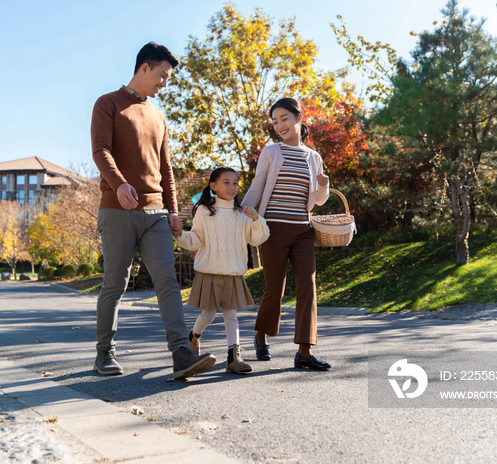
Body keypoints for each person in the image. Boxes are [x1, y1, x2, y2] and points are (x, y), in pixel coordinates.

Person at [90, 42, 216, 380]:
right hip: (118, 210)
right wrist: (118, 184)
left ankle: (181, 353)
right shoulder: (108, 104)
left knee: (168, 282)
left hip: (157, 213)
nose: (164, 83)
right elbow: (100, 150)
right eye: (162, 76)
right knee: (115, 283)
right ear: (145, 67)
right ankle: (104, 354)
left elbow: (166, 167)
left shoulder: (158, 117)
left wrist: (174, 210)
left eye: (167, 78)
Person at [241, 97, 331, 371]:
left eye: (284, 119)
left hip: (303, 230)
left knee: (308, 286)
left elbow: (318, 201)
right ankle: (261, 335)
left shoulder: (314, 157)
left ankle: (304, 350)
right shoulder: (271, 152)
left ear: (298, 118)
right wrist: (243, 207)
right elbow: (258, 185)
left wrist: (325, 186)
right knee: (274, 287)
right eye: (275, 121)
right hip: (273, 229)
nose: (280, 125)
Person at [173, 167, 270, 374]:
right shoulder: (204, 211)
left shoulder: (241, 213)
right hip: (210, 271)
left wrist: (256, 219)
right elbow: (196, 239)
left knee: (231, 315)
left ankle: (234, 358)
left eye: (235, 183)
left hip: (233, 273)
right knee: (208, 315)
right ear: (213, 186)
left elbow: (257, 238)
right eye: (226, 182)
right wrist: (179, 235)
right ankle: (194, 336)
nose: (232, 187)